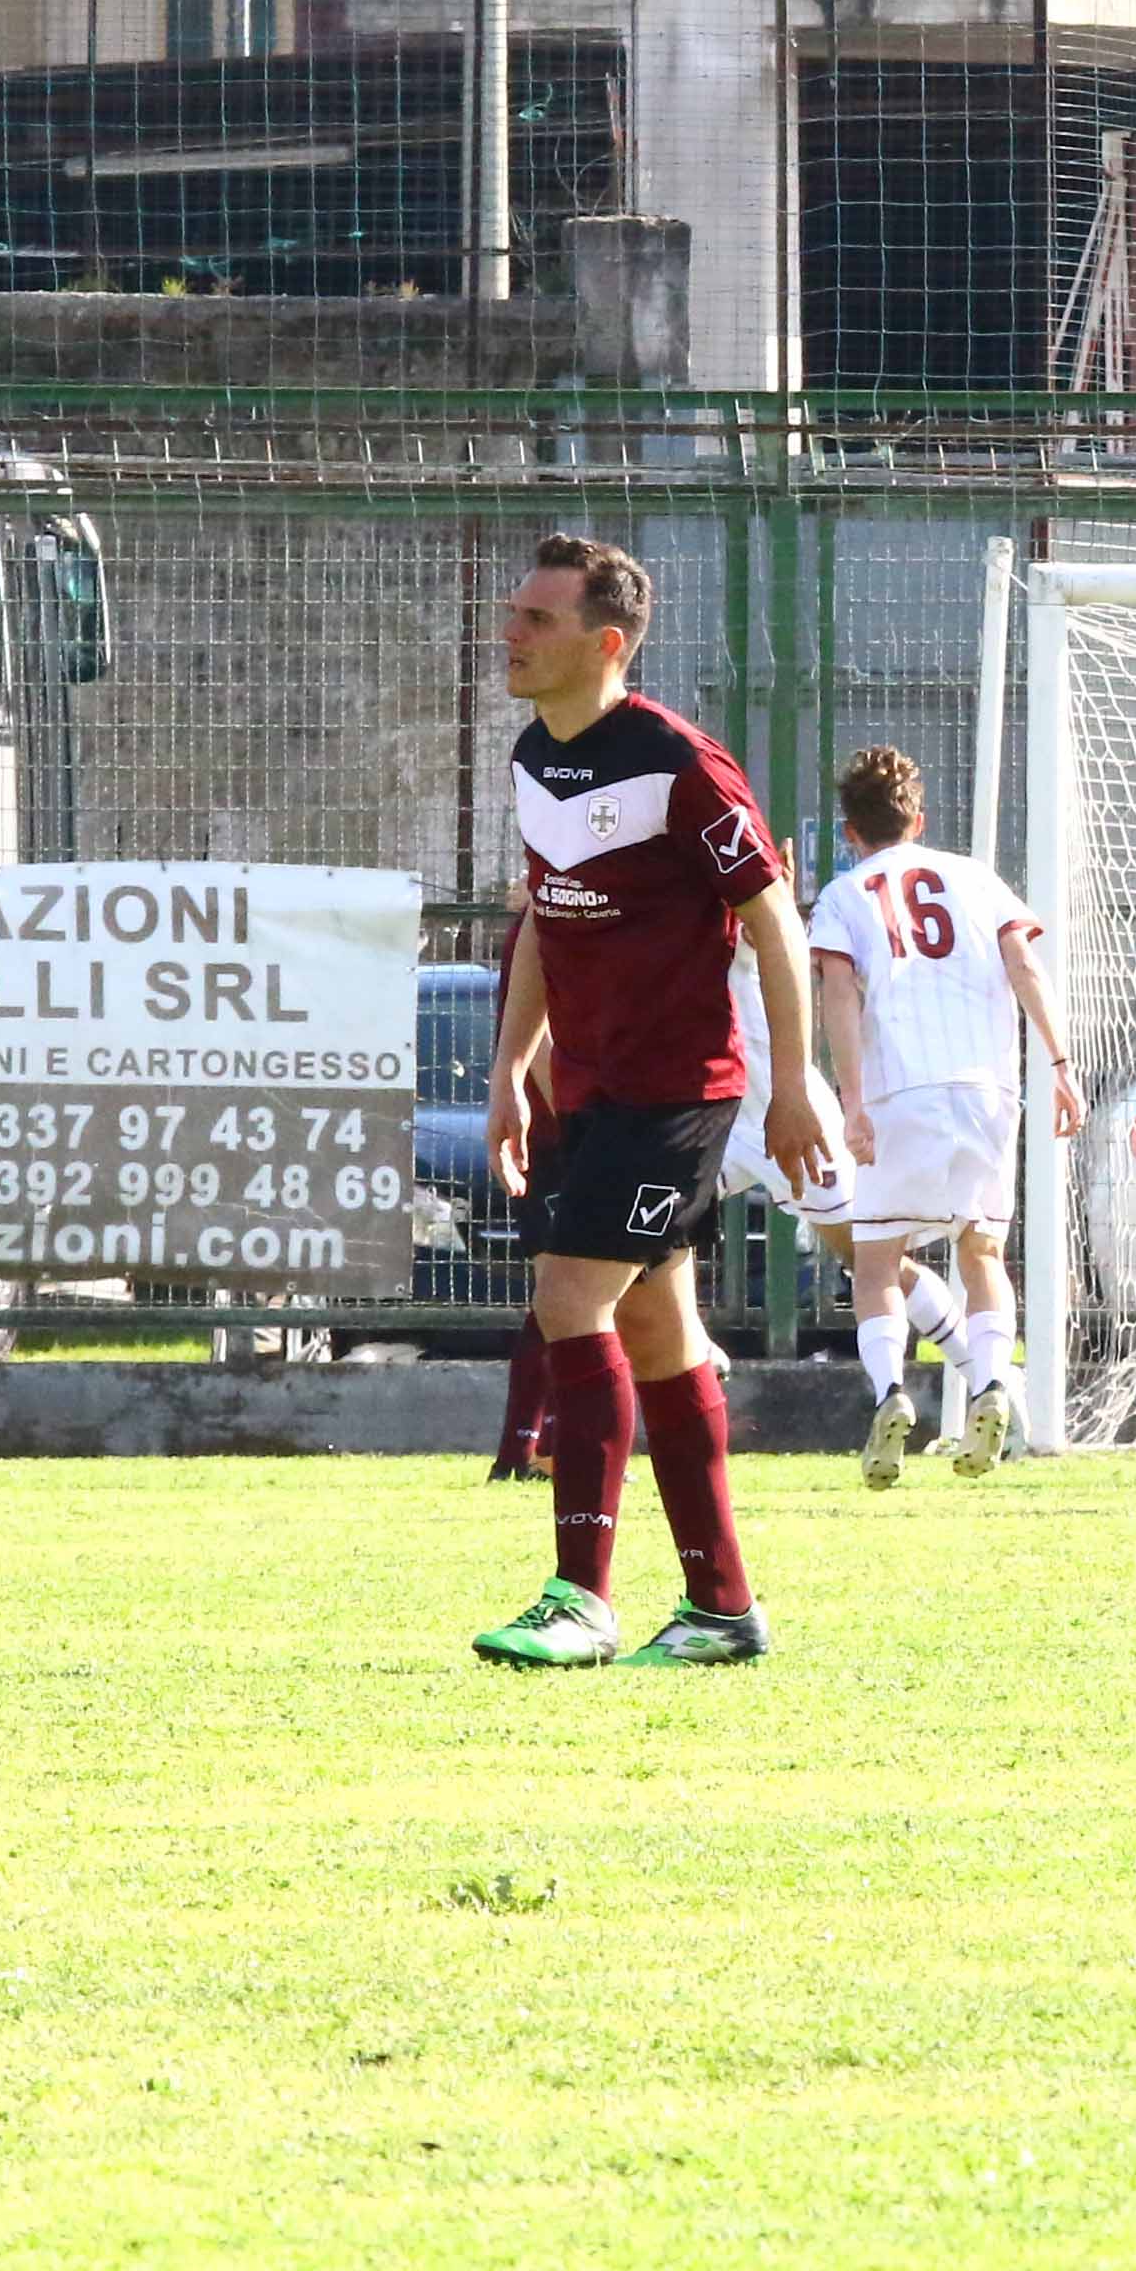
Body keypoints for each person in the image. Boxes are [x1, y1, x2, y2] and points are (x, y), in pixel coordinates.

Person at [469, 534, 828, 1668]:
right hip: (589, 1090)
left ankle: (580, 1598)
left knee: (569, 1300)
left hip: (675, 1092)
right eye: (514, 613)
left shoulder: (681, 762)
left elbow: (775, 922)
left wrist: (795, 1087)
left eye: (537, 619)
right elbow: (546, 914)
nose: (510, 633)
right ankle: (722, 1608)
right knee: (658, 1335)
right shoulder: (535, 754)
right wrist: (512, 1070)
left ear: (606, 642)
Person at [808, 744, 1078, 1487]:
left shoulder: (844, 895)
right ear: (919, 820)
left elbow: (838, 995)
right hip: (989, 1088)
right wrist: (1060, 1065)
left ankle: (890, 1392)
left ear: (850, 832)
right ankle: (991, 1382)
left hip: (902, 1092)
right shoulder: (977, 877)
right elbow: (1025, 966)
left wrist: (852, 1104)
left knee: (875, 1259)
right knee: (982, 1251)